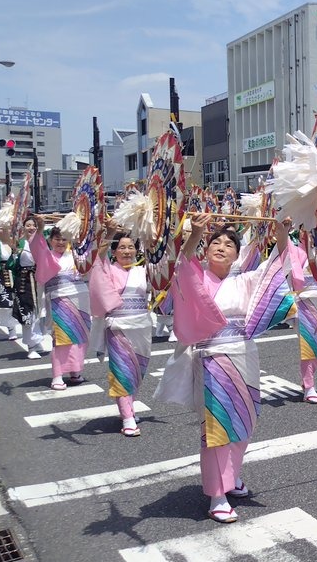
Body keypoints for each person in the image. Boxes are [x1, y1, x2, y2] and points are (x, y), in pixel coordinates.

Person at [159, 213, 293, 523]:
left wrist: (283, 233)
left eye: (229, 244)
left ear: (237, 254)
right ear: (206, 250)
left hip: (244, 356)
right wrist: (194, 235)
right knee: (218, 426)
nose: (221, 247)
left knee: (243, 421)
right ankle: (217, 494)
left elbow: (278, 265)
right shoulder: (195, 274)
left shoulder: (245, 280)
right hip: (213, 360)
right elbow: (183, 265)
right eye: (215, 242)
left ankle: (231, 477)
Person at [88, 233, 151, 437]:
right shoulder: (107, 269)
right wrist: (106, 234)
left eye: (131, 247)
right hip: (118, 327)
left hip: (141, 326)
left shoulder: (143, 270)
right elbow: (98, 263)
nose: (127, 251)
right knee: (122, 371)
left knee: (137, 371)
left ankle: (128, 408)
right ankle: (127, 417)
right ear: (114, 252)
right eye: (122, 247)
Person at [28, 220, 91, 391]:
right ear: (50, 240)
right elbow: (35, 245)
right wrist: (39, 230)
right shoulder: (46, 255)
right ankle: (57, 375)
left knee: (80, 337)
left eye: (64, 239)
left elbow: (92, 256)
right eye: (57, 239)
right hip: (59, 299)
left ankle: (75, 371)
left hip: (81, 299)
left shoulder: (76, 255)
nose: (61, 242)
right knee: (62, 339)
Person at [286, 230, 317, 404]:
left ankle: (307, 381)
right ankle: (309, 387)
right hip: (303, 302)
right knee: (309, 345)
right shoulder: (296, 250)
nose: (311, 235)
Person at [13, 218, 45, 358]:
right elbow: (12, 264)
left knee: (41, 311)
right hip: (24, 281)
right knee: (28, 311)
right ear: (24, 227)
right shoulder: (19, 243)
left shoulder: (41, 241)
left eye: (34, 225)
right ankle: (31, 346)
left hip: (39, 279)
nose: (31, 227)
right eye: (28, 225)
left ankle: (37, 340)